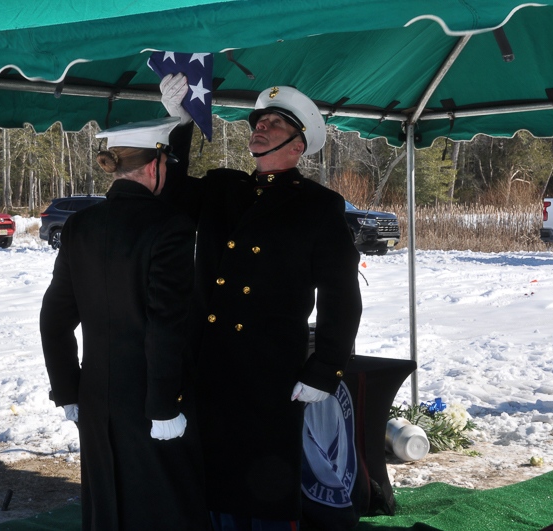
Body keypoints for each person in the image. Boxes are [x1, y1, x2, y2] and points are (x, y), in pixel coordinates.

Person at [159, 74, 363, 530]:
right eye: (259, 122)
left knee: (263, 483)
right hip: (209, 360)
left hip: (269, 367)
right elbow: (170, 193)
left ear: (298, 144)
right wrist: (178, 124)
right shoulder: (223, 187)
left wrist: (325, 368)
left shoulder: (318, 206)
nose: (262, 127)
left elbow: (341, 293)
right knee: (208, 478)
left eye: (275, 124)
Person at [39, 116, 209, 531]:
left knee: (107, 506)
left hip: (96, 395)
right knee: (166, 509)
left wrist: (68, 388)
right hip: (152, 396)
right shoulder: (170, 226)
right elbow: (164, 324)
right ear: (155, 166)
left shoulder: (80, 224)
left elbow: (54, 317)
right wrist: (164, 404)